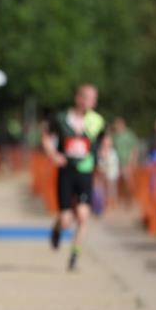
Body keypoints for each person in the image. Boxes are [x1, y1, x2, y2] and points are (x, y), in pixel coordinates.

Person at [42, 84, 105, 271]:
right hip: (66, 171)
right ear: (78, 98)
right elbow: (46, 136)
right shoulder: (61, 119)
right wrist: (54, 155)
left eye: (94, 98)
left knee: (83, 216)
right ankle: (57, 229)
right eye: (88, 98)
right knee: (66, 219)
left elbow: (105, 140)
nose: (92, 102)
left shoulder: (97, 121)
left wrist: (101, 154)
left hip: (86, 172)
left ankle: (74, 256)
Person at [111, 117, 138, 203]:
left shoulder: (129, 134)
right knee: (117, 181)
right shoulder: (114, 135)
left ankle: (132, 198)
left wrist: (133, 161)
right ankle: (120, 199)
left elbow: (135, 148)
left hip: (127, 162)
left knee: (128, 181)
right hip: (117, 162)